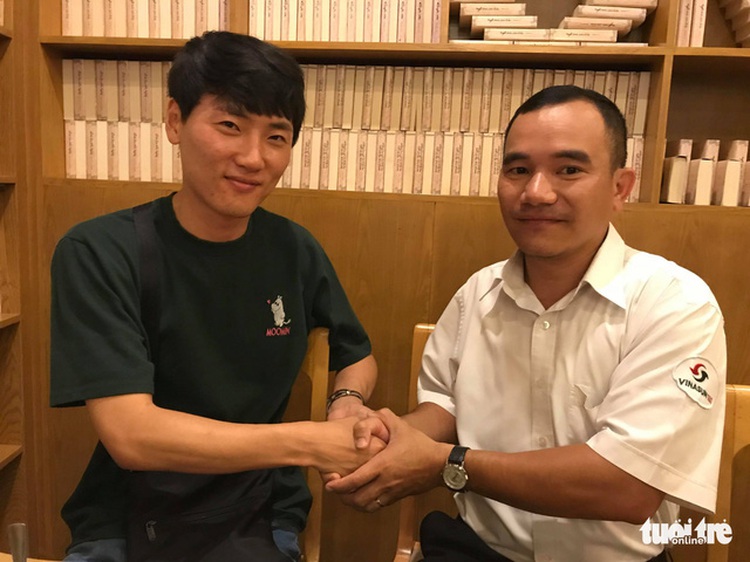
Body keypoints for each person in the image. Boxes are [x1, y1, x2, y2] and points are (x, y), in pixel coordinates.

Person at [327, 85, 727, 562]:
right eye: (518, 170)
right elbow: (446, 406)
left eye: (569, 169)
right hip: (478, 550)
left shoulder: (675, 303)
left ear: (620, 188)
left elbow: (628, 487)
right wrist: (389, 435)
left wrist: (446, 465)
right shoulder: (477, 293)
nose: (536, 192)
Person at [50, 31, 382, 562]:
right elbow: (131, 436)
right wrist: (311, 442)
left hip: (259, 511)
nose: (253, 157)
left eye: (277, 136)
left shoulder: (293, 249)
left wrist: (347, 402)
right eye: (230, 125)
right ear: (175, 120)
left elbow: (355, 353)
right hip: (126, 518)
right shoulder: (101, 250)